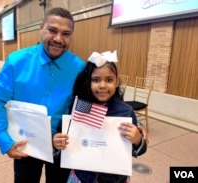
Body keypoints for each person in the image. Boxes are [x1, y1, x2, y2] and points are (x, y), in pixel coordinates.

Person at [0, 7, 86, 183]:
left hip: (62, 145)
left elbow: (97, 101)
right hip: (25, 143)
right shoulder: (16, 62)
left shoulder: (79, 68)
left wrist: (128, 121)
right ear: (41, 27)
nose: (58, 39)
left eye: (66, 33)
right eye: (52, 30)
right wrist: (4, 141)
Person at [53, 51, 148, 183]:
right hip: (82, 177)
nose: (102, 85)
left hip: (114, 179)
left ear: (116, 81)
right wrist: (58, 141)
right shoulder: (81, 107)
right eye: (96, 80)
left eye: (109, 80)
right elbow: (67, 136)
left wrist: (137, 140)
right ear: (88, 82)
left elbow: (135, 149)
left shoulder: (125, 112)